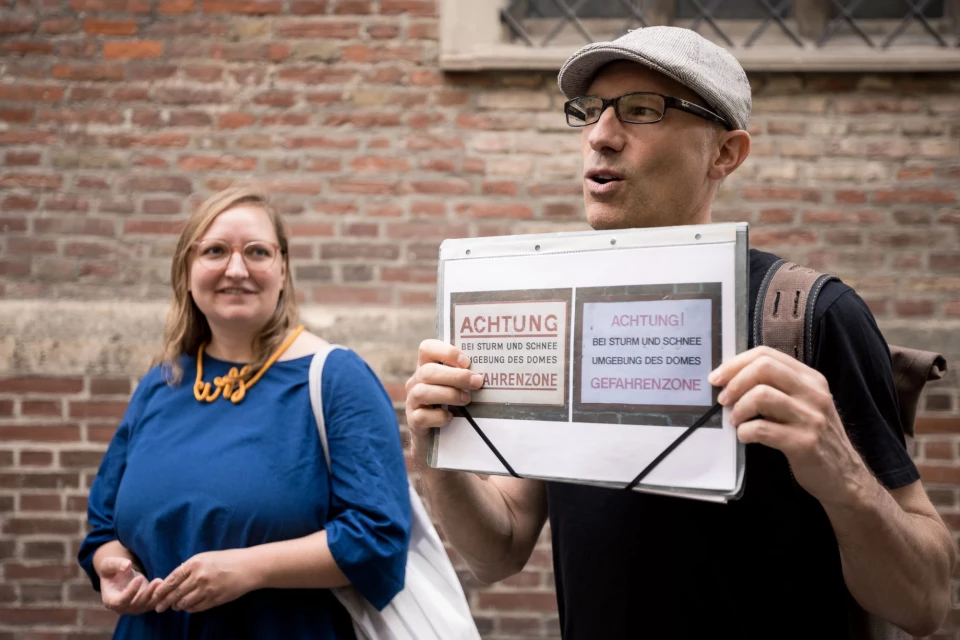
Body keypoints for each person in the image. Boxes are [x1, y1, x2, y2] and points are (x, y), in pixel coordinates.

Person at [405, 26, 955, 639]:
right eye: (590, 112)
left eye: (642, 110)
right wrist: (439, 452)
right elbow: (499, 549)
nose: (600, 136)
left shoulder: (808, 315)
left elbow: (926, 602)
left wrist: (844, 476)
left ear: (725, 153)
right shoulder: (557, 302)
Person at [78, 185, 411, 638]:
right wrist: (113, 568)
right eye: (215, 251)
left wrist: (251, 569)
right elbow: (103, 526)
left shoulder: (336, 378)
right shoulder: (162, 382)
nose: (236, 269)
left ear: (282, 268)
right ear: (187, 269)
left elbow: (377, 537)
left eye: (256, 251)